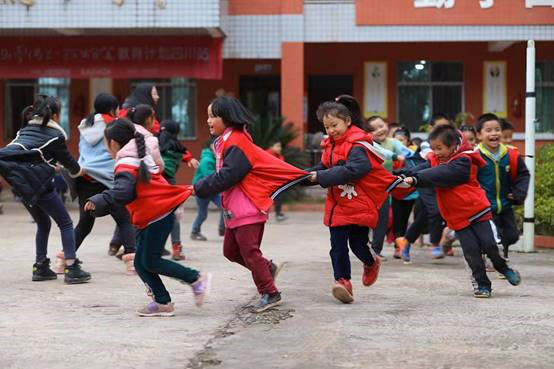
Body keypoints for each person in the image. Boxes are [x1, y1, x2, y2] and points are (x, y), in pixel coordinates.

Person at [193, 96, 309, 313]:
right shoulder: (226, 140)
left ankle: (270, 292)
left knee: (249, 252)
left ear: (226, 118)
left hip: (247, 207)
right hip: (234, 209)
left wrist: (199, 187)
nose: (208, 120)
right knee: (230, 251)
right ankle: (266, 269)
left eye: (212, 116)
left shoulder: (237, 142)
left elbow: (229, 176)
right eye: (208, 116)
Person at [84, 119, 210, 317]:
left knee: (150, 261)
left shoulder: (127, 162)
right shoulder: (138, 154)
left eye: (104, 142)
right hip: (153, 214)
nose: (105, 147)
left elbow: (123, 192)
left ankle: (196, 279)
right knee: (140, 263)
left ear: (114, 143)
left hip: (158, 214)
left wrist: (100, 200)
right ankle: (162, 303)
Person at [400, 124, 522, 298]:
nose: (436, 152)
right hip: (458, 217)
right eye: (433, 148)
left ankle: (502, 267)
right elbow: (420, 168)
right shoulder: (435, 159)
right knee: (471, 251)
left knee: (489, 245)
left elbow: (440, 173)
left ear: (453, 146)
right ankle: (482, 285)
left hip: (477, 210)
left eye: (440, 148)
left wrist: (415, 180)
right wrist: (401, 175)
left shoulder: (464, 160)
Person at [308, 101, 412, 304]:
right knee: (337, 246)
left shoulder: (358, 145)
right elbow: (324, 165)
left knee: (357, 244)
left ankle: (371, 262)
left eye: (334, 125)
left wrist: (319, 177)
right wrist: (303, 175)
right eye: (326, 127)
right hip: (337, 205)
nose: (330, 130)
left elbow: (356, 169)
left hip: (359, 203)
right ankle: (343, 281)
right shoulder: (330, 144)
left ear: (347, 121)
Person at [0, 95, 91, 284]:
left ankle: (40, 266)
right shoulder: (55, 136)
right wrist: (82, 171)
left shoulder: (23, 130)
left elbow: (30, 155)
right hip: (39, 185)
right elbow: (71, 165)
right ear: (55, 116)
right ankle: (72, 267)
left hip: (21, 186)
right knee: (65, 223)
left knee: (43, 223)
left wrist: (49, 164)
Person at [55, 93, 137, 275]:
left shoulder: (86, 125)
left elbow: (84, 152)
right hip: (107, 179)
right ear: (112, 109)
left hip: (85, 177)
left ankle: (62, 259)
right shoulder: (115, 125)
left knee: (85, 223)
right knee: (124, 219)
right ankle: (132, 262)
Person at [395, 114, 450, 263]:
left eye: (446, 128)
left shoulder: (450, 144)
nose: (443, 131)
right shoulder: (427, 144)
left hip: (438, 180)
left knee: (424, 215)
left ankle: (406, 242)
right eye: (439, 127)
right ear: (431, 129)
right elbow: (432, 157)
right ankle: (435, 244)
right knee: (436, 210)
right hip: (423, 179)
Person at [476, 113, 530, 260]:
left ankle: (497, 255)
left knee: (512, 236)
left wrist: (519, 193)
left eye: (497, 129)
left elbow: (523, 175)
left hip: (505, 204)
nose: (494, 133)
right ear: (479, 135)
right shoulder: (474, 156)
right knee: (494, 236)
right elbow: (468, 181)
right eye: (488, 130)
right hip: (484, 208)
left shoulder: (511, 154)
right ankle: (498, 260)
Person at [366, 115, 413, 259]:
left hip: (385, 188)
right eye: (374, 129)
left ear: (386, 125)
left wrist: (421, 155)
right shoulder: (367, 144)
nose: (379, 130)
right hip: (367, 187)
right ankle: (363, 245)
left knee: (383, 219)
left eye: (381, 126)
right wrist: (395, 157)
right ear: (368, 133)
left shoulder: (393, 142)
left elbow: (407, 153)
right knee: (365, 219)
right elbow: (381, 153)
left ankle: (376, 251)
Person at [159, 119, 199, 260]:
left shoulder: (154, 142)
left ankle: (142, 247)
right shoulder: (177, 147)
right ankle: (177, 249)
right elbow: (185, 154)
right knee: (173, 216)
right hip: (169, 183)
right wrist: (190, 159)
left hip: (154, 182)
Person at [190, 140, 225, 241]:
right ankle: (194, 232)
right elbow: (209, 176)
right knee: (202, 214)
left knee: (224, 206)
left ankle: (222, 229)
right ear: (211, 146)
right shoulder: (206, 160)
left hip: (211, 190)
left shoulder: (216, 159)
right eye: (218, 146)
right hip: (202, 190)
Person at [266, 141, 288, 221]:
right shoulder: (266, 155)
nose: (280, 148)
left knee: (277, 196)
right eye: (277, 146)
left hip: (275, 182)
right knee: (273, 197)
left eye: (280, 146)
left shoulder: (280, 156)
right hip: (267, 182)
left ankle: (278, 213)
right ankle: (276, 213)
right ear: (271, 147)